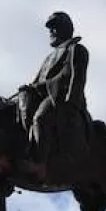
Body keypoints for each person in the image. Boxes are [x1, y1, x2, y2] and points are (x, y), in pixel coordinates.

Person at [17, 11, 90, 178]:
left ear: (65, 29)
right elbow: (38, 80)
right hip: (45, 95)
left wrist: (70, 104)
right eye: (50, 28)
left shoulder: (76, 49)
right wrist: (29, 89)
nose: (51, 32)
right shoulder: (49, 58)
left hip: (62, 99)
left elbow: (71, 77)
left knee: (41, 117)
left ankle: (40, 164)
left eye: (55, 27)